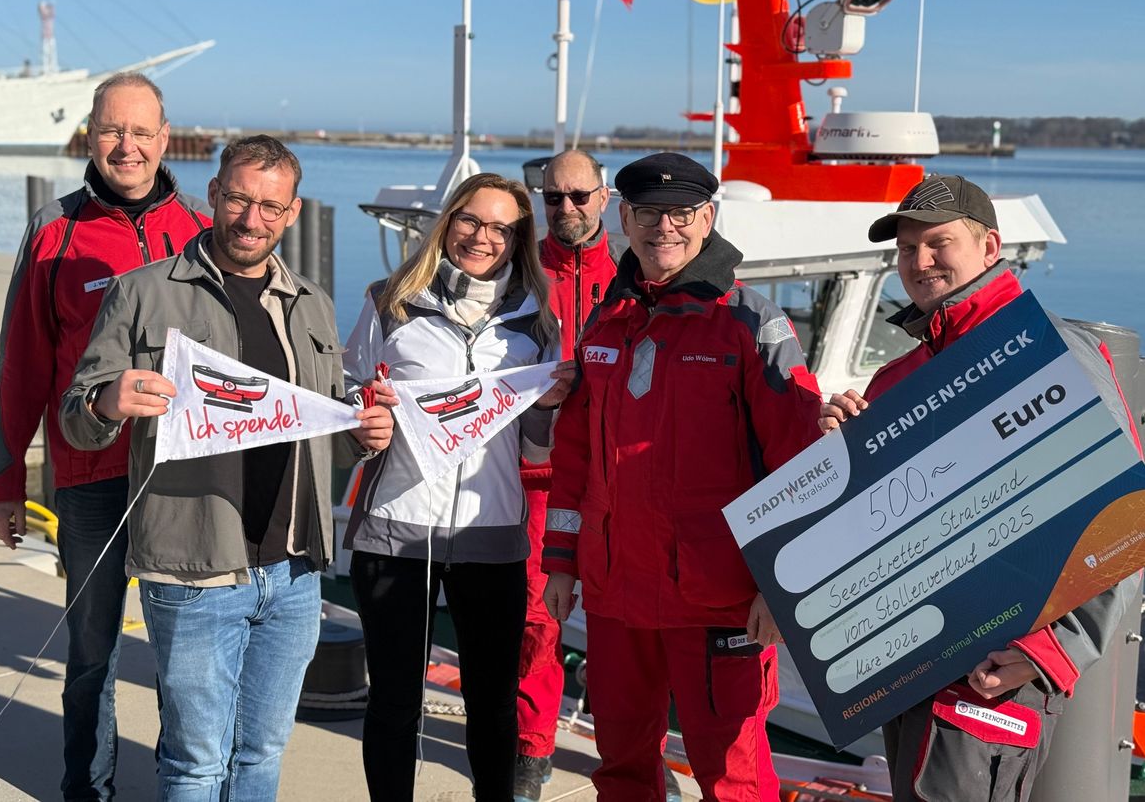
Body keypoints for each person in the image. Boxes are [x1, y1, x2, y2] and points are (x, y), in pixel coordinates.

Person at [59, 135, 394, 800]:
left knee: (263, 752)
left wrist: (364, 433)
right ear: (213, 194)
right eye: (239, 199)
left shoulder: (313, 302)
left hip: (294, 571)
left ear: (293, 213)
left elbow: (327, 427)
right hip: (193, 570)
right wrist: (106, 401)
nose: (251, 220)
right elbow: (76, 418)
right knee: (195, 763)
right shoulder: (141, 292)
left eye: (270, 207)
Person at [818, 173, 1143, 802]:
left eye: (938, 242)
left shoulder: (1046, 350)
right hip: (907, 661)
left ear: (990, 247)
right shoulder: (898, 376)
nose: (919, 261)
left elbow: (1124, 517)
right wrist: (839, 454)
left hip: (994, 667)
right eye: (906, 248)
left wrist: (1053, 649)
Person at [541, 153, 823, 801]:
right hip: (615, 595)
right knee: (621, 766)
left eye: (681, 213)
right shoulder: (606, 320)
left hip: (718, 599)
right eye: (647, 213)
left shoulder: (752, 324)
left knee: (732, 775)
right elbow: (576, 454)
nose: (663, 227)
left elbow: (800, 461)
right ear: (624, 218)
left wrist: (780, 585)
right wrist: (561, 563)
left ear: (708, 218)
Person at [0, 72, 209, 800]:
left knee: (185, 664)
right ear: (90, 135)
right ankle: (88, 790)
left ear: (165, 139)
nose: (127, 146)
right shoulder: (55, 230)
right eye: (112, 130)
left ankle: (181, 787)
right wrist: (2, 484)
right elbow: (20, 366)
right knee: (90, 658)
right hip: (87, 479)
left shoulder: (202, 231)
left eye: (141, 132)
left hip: (182, 483)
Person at [341, 172, 573, 802]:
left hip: (490, 538)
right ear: (448, 222)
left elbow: (537, 449)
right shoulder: (390, 301)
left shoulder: (536, 322)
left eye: (501, 228)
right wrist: (365, 423)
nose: (482, 237)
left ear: (518, 239)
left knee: (492, 705)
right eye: (470, 220)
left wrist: (546, 408)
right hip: (394, 535)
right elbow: (351, 395)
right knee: (394, 702)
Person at [513, 149, 618, 802]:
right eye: (553, 197)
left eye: (579, 196)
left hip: (614, 477)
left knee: (625, 622)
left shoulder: (635, 272)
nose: (566, 208)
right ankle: (532, 748)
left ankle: (630, 751)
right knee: (538, 618)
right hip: (537, 474)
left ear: (604, 198)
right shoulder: (518, 273)